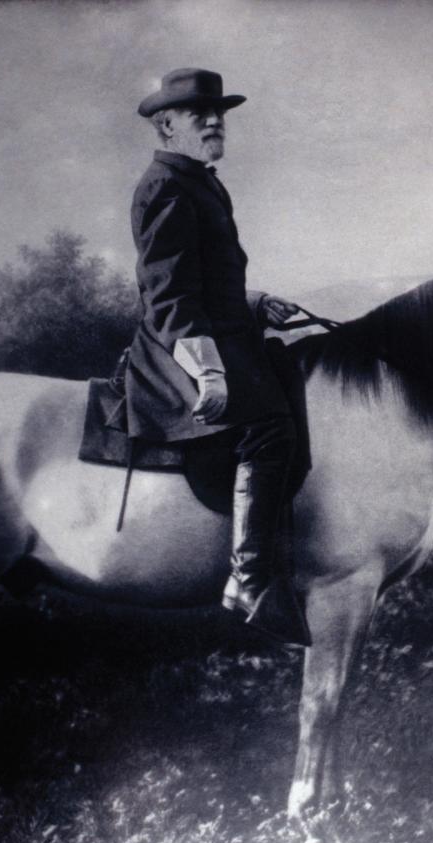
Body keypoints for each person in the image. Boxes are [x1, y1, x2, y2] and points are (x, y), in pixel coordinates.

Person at [126, 67, 311, 648]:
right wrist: (207, 367)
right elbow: (169, 293)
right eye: (198, 113)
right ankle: (250, 579)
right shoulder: (163, 186)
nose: (214, 121)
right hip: (177, 345)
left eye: (219, 112)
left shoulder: (201, 182)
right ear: (166, 124)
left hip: (220, 330)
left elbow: (205, 277)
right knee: (270, 427)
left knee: (291, 378)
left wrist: (257, 304)